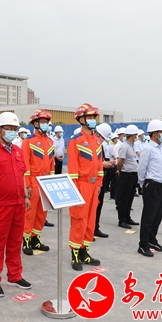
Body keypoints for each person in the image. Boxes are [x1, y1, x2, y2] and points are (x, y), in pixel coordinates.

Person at [0, 112, 32, 297]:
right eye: (9, 129)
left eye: (15, 129)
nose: (12, 132)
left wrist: (26, 196)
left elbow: (22, 176)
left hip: (18, 204)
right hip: (0, 205)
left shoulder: (18, 151)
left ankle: (14, 275)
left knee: (15, 242)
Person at [67, 103, 103, 271]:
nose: (92, 120)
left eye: (93, 117)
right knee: (79, 218)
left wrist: (100, 184)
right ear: (81, 120)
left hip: (94, 186)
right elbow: (73, 168)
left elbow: (100, 166)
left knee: (90, 220)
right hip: (81, 184)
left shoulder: (97, 140)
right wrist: (74, 189)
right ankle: (75, 253)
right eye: (89, 117)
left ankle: (84, 251)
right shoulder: (75, 141)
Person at [21, 109, 54, 256]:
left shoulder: (50, 142)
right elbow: (25, 166)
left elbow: (52, 165)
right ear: (35, 123)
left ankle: (36, 238)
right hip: (33, 181)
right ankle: (26, 240)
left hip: (46, 181)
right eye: (42, 122)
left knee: (42, 213)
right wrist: (27, 186)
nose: (45, 124)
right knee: (30, 213)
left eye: (47, 122)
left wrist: (52, 182)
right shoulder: (28, 142)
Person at [137, 120, 162, 257]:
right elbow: (142, 168)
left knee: (157, 216)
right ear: (155, 133)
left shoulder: (161, 147)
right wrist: (142, 184)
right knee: (149, 217)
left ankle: (152, 239)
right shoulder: (148, 149)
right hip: (152, 185)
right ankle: (143, 244)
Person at [116, 125, 140, 229]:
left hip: (133, 175)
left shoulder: (132, 145)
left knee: (130, 197)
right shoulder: (124, 146)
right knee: (124, 198)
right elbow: (120, 161)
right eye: (136, 135)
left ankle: (127, 217)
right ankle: (122, 220)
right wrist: (120, 171)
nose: (136, 136)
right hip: (126, 175)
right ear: (133, 135)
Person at [93, 123, 115, 238]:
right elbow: (90, 162)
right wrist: (102, 164)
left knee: (99, 204)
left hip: (100, 177)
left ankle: (95, 227)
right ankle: (90, 229)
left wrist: (106, 163)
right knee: (92, 207)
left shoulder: (99, 145)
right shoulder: (91, 144)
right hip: (92, 179)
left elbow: (99, 160)